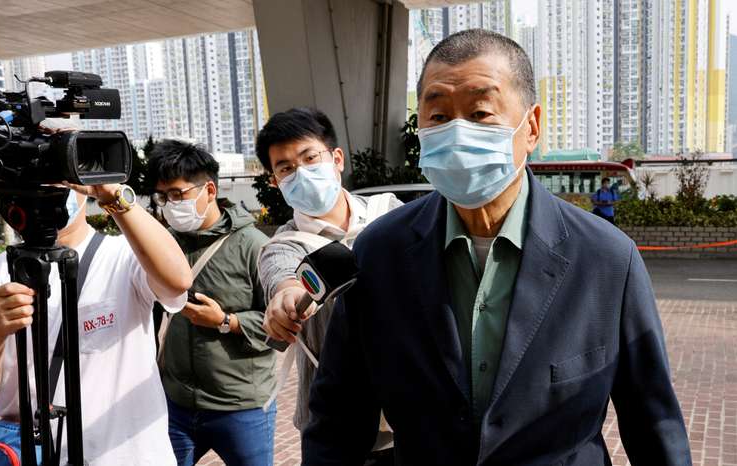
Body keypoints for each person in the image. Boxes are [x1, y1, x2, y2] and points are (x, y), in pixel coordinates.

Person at [302, 29, 691, 465]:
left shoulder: (606, 259)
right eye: (438, 116)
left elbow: (652, 423)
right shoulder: (380, 252)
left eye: (481, 112)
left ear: (532, 127)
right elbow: (338, 419)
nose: (456, 133)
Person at [0, 176, 192, 462]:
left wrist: (111, 193)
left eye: (59, 178)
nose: (48, 191)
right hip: (39, 456)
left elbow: (178, 280)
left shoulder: (124, 256)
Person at [256, 107, 402, 465]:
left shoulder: (390, 214)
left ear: (336, 158)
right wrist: (286, 298)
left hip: (410, 416)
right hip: (336, 427)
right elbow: (284, 278)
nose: (300, 172)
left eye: (309, 157)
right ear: (275, 181)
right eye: (286, 168)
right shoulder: (285, 244)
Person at [148, 139, 276, 466]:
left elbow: (280, 327)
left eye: (178, 194)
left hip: (241, 405)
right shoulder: (165, 244)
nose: (170, 204)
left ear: (209, 190)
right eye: (163, 197)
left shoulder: (254, 246)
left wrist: (226, 321)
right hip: (176, 404)